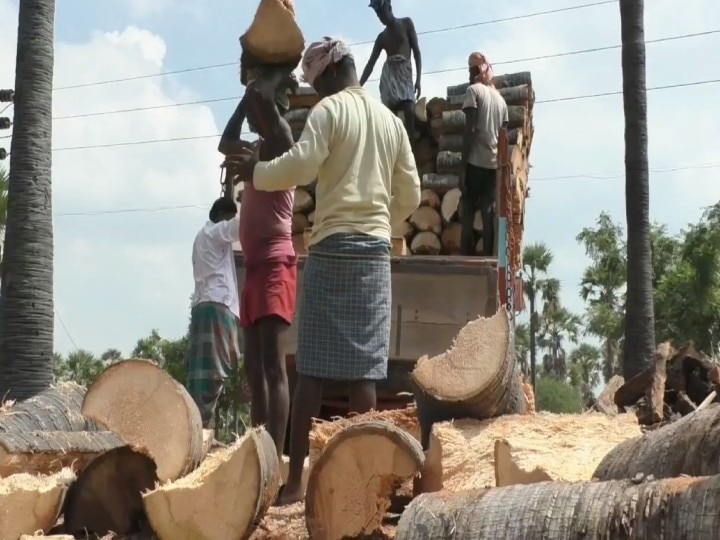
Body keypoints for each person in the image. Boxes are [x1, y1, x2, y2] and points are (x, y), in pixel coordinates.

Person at [233, 37, 421, 505]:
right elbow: (413, 193)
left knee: (312, 371)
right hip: (375, 253)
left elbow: (300, 165)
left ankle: (296, 484)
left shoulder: (330, 112)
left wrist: (255, 174)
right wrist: (384, 223)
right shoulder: (390, 121)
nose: (316, 94)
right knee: (364, 375)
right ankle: (364, 486)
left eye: (316, 85)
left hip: (333, 246)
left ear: (331, 74)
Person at [217, 51, 298, 459]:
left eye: (256, 109)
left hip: (275, 264)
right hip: (253, 269)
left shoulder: (283, 143)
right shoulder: (253, 150)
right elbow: (223, 142)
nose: (251, 114)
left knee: (273, 366)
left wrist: (269, 76)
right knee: (254, 370)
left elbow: (266, 106)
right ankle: (257, 447)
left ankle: (275, 454)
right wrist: (244, 96)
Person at [186, 197, 242, 428]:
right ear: (222, 216)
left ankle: (198, 427)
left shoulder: (201, 237)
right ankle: (201, 429)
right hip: (216, 306)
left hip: (204, 305)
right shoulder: (215, 232)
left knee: (202, 375)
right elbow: (243, 225)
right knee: (213, 374)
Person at [460, 52, 508, 257]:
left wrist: (463, 167)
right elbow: (503, 137)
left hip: (474, 162)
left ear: (478, 70)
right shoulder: (502, 102)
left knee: (468, 211)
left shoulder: (473, 91)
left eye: (472, 70)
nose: (471, 74)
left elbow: (470, 131)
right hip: (491, 165)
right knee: (488, 213)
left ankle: (465, 257)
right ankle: (489, 258)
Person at [359, 0, 422, 139]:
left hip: (405, 76)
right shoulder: (382, 37)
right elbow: (370, 64)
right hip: (390, 79)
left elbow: (416, 52)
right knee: (389, 121)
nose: (381, 17)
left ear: (389, 7)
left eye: (382, 12)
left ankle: (410, 154)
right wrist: (357, 86)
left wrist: (418, 80)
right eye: (378, 15)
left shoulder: (406, 24)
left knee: (410, 112)